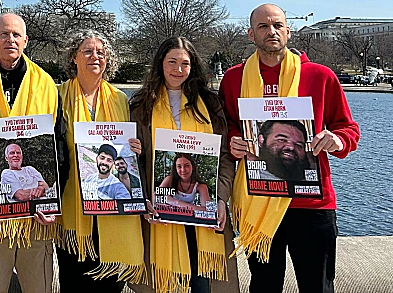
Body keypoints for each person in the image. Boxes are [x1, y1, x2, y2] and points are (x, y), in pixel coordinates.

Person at [220, 3, 361, 293]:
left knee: (318, 287)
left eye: (277, 26)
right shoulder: (234, 78)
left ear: (288, 31)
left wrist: (337, 140)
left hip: (312, 204)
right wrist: (234, 140)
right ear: (250, 34)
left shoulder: (320, 76)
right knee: (264, 287)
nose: (271, 31)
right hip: (258, 200)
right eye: (263, 26)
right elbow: (228, 126)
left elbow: (349, 129)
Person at [0, 12, 68, 293]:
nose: (10, 39)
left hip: (36, 219)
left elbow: (59, 148)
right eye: (4, 34)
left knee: (39, 287)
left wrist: (54, 202)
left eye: (16, 34)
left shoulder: (47, 85)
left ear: (26, 41)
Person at [129, 37, 238, 293]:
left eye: (185, 63)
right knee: (164, 283)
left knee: (204, 284)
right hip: (159, 215)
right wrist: (143, 197)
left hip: (204, 216)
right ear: (160, 64)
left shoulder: (210, 104)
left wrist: (221, 199)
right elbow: (137, 160)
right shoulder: (141, 105)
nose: (178, 69)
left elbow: (223, 156)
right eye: (172, 62)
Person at [56, 29, 145, 291]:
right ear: (74, 57)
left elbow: (125, 149)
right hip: (73, 207)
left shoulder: (119, 99)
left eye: (101, 52)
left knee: (110, 286)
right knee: (74, 281)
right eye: (87, 51)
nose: (95, 57)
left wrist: (133, 147)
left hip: (113, 207)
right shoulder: (57, 95)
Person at [249, 120, 314, 181]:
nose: (291, 147)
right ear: (261, 140)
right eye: (282, 140)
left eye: (298, 145)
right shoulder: (248, 172)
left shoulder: (317, 169)